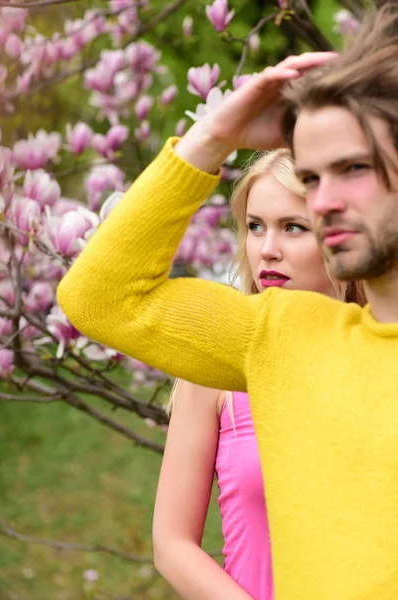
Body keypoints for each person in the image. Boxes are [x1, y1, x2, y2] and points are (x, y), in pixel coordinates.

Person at [57, 4, 398, 598]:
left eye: (353, 168)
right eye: (313, 180)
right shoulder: (283, 336)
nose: (323, 203)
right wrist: (214, 137)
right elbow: (99, 298)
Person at [153, 150, 364, 600]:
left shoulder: (380, 355)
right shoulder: (218, 366)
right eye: (255, 226)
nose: (267, 248)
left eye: (293, 227)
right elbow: (172, 544)